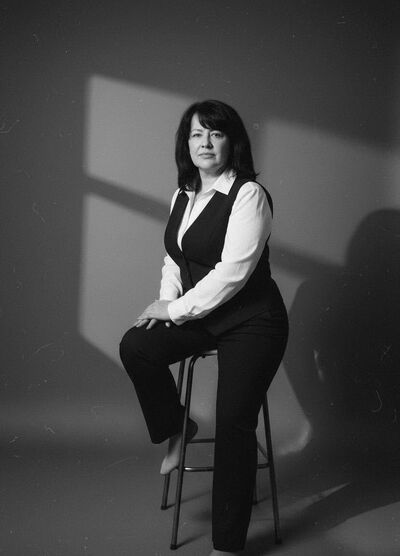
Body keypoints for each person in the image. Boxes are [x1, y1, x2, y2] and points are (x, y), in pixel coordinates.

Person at [119, 100, 289, 556]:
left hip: (253, 322)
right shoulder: (184, 194)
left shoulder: (249, 195)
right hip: (203, 315)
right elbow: (174, 259)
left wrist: (175, 311)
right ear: (186, 143)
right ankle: (179, 426)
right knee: (136, 346)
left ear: (233, 142)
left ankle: (227, 546)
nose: (206, 143)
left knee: (233, 423)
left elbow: (232, 275)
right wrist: (166, 304)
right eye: (197, 134)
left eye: (216, 133)